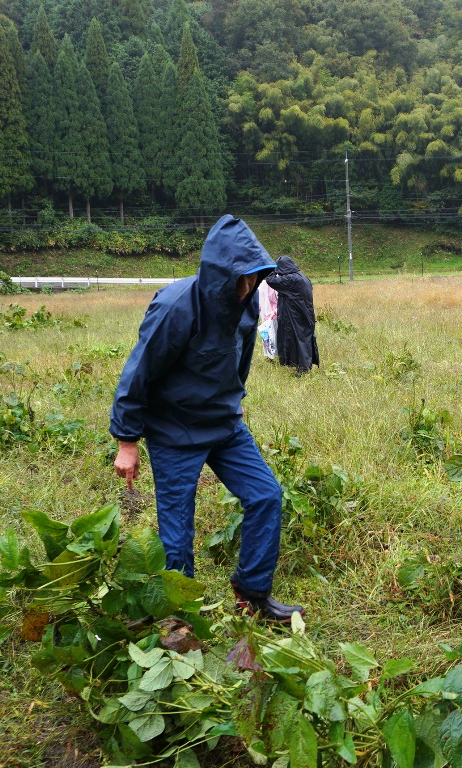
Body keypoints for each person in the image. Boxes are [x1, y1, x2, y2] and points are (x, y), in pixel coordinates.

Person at [110, 214, 303, 624]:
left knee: (266, 495)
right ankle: (181, 616)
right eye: (240, 277)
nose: (248, 287)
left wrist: (234, 395)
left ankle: (252, 593)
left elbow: (242, 355)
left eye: (255, 277)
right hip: (174, 431)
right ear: (219, 271)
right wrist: (127, 441)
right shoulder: (177, 305)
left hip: (223, 424)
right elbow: (138, 371)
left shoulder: (247, 301)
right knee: (178, 532)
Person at [265, 256, 319, 373]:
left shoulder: (291, 279)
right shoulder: (301, 276)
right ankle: (302, 365)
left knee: (298, 339)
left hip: (297, 314)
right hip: (304, 313)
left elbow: (270, 280)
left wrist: (272, 268)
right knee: (302, 338)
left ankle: (303, 368)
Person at [256, 280, 278, 360]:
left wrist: (275, 311)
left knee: (275, 335)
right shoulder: (261, 285)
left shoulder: (275, 283)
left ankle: (277, 356)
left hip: (274, 314)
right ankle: (270, 356)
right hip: (266, 314)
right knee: (267, 335)